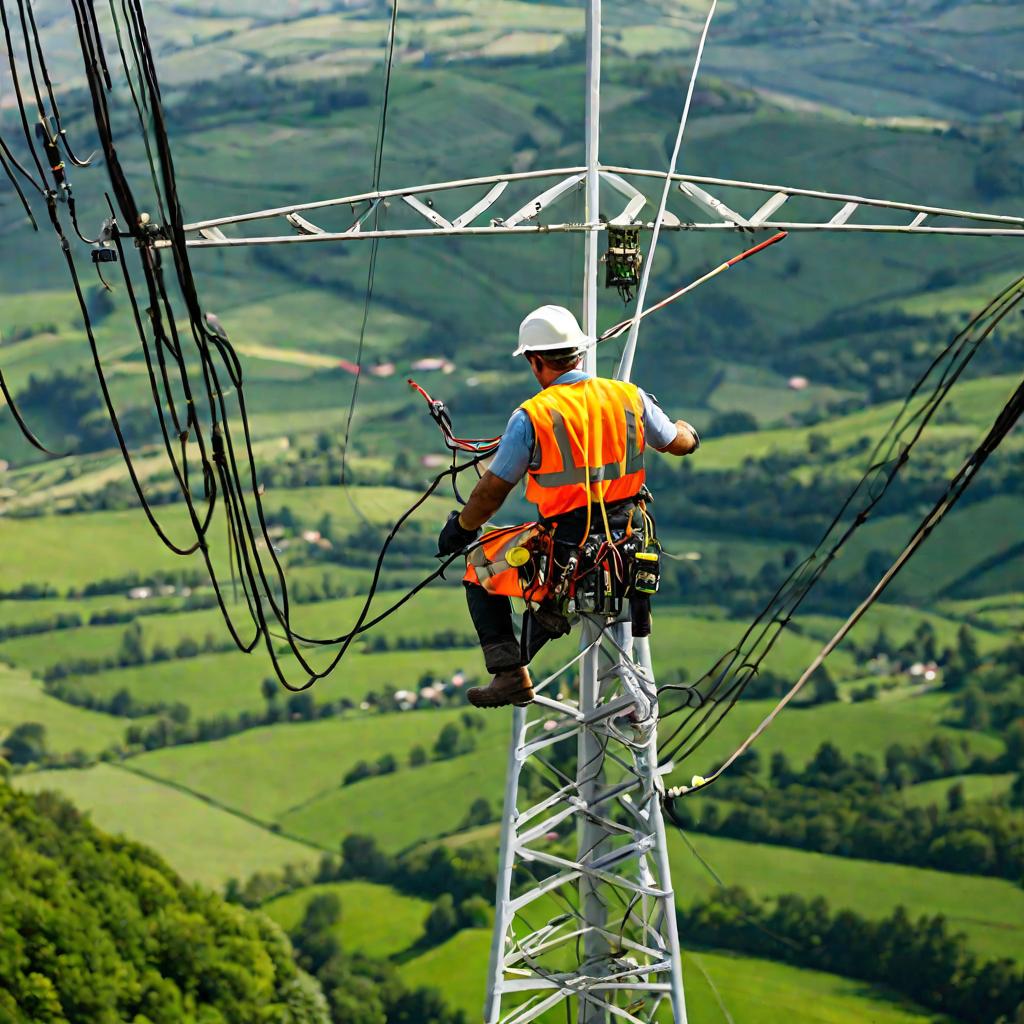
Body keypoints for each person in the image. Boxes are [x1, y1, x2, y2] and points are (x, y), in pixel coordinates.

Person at [437, 304, 699, 709]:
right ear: (578, 353)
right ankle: (547, 619)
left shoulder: (531, 417)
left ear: (536, 360)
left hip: (566, 547)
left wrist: (462, 527)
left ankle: (510, 673)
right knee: (535, 566)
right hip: (630, 543)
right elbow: (677, 443)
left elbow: (492, 491)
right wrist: (687, 431)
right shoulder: (628, 396)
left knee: (479, 567)